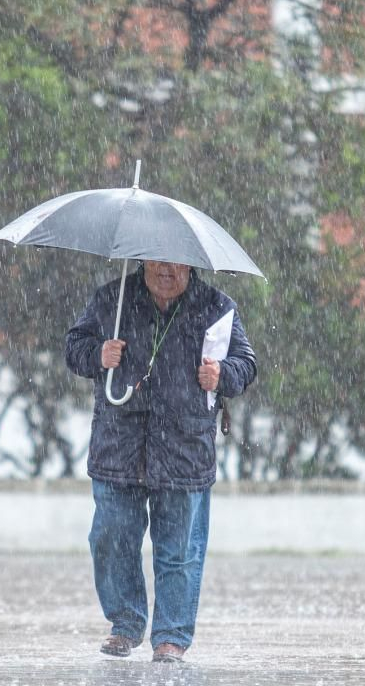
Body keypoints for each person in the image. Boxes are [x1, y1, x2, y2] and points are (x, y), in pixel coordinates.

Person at [65, 259, 257, 663]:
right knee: (111, 538)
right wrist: (98, 354)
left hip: (185, 450)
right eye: (158, 261)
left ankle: (171, 636)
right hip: (119, 445)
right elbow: (74, 348)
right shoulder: (111, 300)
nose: (166, 270)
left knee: (180, 550)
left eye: (176, 263)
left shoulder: (217, 308)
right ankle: (126, 622)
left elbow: (246, 363)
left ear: (192, 265)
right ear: (141, 259)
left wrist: (222, 375)